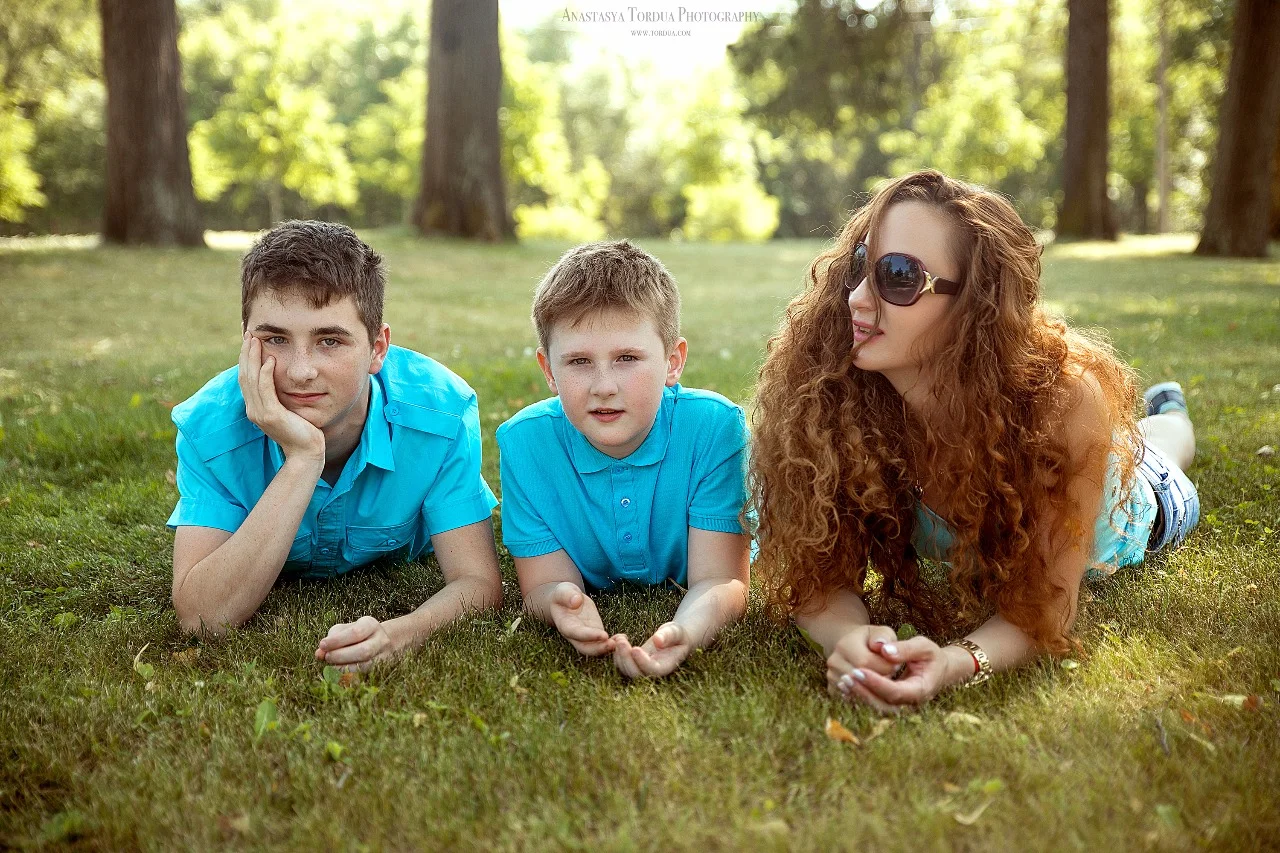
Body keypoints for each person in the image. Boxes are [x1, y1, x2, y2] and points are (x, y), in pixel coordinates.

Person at [749, 170, 1200, 713]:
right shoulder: (839, 399)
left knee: (1164, 448)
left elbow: (1047, 609)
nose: (857, 299)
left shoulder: (1063, 405)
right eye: (858, 267)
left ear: (972, 303)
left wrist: (955, 662)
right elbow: (820, 582)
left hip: (1139, 508)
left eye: (897, 276)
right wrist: (848, 640)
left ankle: (1169, 409)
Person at [166, 220, 503, 670]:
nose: (300, 371)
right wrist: (303, 458)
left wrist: (400, 634)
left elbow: (478, 582)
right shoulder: (208, 429)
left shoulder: (441, 414)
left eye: (329, 341)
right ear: (246, 341)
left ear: (377, 348)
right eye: (275, 339)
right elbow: (202, 619)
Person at [498, 240, 751, 679]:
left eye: (627, 358)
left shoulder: (715, 428)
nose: (604, 386)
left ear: (673, 362)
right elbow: (542, 583)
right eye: (579, 361)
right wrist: (560, 602)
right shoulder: (524, 443)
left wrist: (687, 630)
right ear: (549, 370)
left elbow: (720, 578)